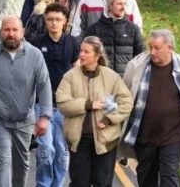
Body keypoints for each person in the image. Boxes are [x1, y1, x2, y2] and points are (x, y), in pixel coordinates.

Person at [120, 29, 180, 184]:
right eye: (150, 47)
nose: (152, 52)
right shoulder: (136, 66)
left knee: (170, 176)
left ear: (170, 48)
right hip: (145, 136)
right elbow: (125, 94)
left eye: (157, 48)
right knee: (146, 178)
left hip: (173, 135)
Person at [0, 15, 52, 187]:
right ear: (1, 32)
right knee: (2, 162)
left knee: (21, 164)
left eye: (15, 30)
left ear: (22, 31)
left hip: (24, 120)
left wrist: (45, 116)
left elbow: (44, 85)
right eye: (7, 30)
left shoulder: (35, 55)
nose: (11, 34)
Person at [56, 36, 133, 187]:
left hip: (106, 142)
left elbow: (127, 102)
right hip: (79, 141)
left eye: (86, 52)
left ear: (97, 56)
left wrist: (110, 119)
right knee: (79, 183)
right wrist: (87, 105)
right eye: (81, 51)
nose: (81, 55)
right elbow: (62, 103)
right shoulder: (70, 76)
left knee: (103, 183)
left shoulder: (111, 76)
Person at [31, 3, 79, 187]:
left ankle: (57, 184)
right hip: (41, 105)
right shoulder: (36, 43)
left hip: (64, 106)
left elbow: (77, 73)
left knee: (62, 152)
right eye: (50, 19)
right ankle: (43, 184)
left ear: (65, 21)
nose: (54, 23)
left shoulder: (72, 43)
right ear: (45, 21)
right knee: (45, 148)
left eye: (58, 20)